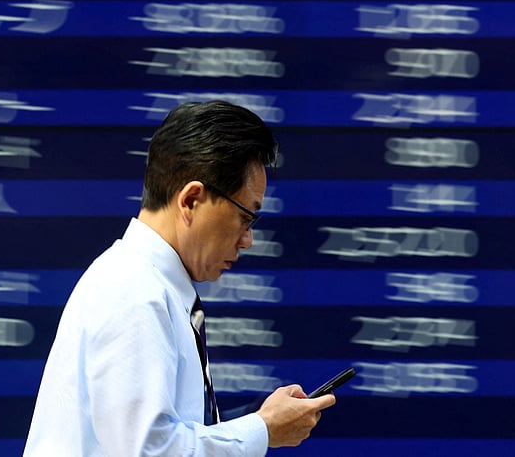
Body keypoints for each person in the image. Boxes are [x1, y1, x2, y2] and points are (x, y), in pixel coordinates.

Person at [24, 101, 336, 455]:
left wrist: (262, 424)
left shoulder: (143, 283)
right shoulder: (134, 290)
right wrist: (262, 429)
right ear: (191, 200)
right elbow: (149, 450)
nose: (247, 239)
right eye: (246, 217)